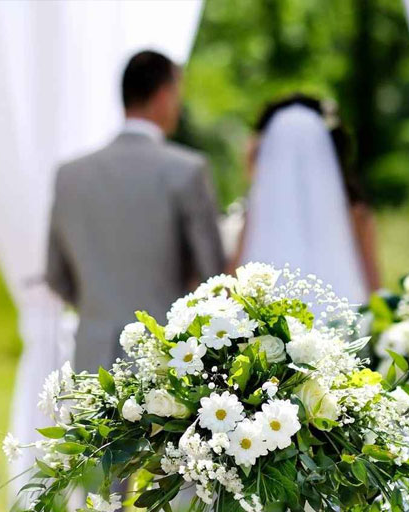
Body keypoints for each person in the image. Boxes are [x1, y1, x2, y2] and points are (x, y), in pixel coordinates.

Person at [45, 50, 225, 372]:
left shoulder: (70, 175)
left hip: (93, 358)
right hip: (167, 359)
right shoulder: (187, 171)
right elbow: (213, 274)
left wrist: (98, 309)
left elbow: (56, 274)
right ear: (164, 95)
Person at [235, 94, 380, 304]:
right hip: (341, 311)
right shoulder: (355, 211)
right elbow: (372, 281)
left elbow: (234, 274)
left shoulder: (258, 211)